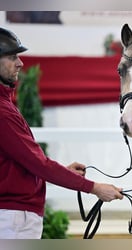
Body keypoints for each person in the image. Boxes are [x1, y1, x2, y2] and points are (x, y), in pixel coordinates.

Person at [0, 27, 123, 239]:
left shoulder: (6, 105)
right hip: (14, 218)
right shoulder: (2, 112)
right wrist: (94, 188)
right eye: (12, 57)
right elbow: (38, 164)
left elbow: (21, 165)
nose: (20, 63)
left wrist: (65, 172)